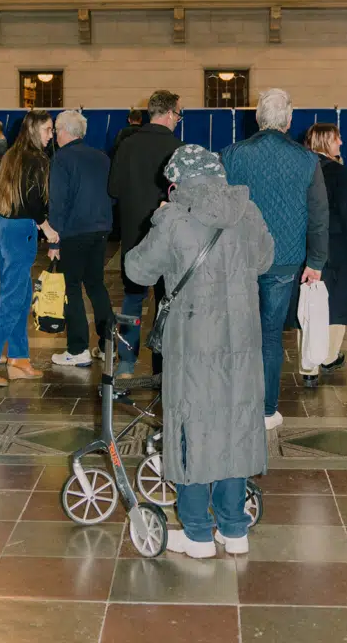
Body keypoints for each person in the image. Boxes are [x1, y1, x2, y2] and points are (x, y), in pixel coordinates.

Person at [124, 144, 273, 558]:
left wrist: (158, 218)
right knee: (236, 422)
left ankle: (196, 533)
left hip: (193, 341)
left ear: (176, 182)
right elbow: (264, 259)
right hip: (241, 340)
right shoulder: (248, 211)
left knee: (192, 424)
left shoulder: (173, 219)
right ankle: (233, 529)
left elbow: (136, 270)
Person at [222, 89, 329, 430]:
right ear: (289, 120)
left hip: (238, 258)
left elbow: (221, 208)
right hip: (284, 260)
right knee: (270, 335)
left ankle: (235, 404)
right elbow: (318, 214)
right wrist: (316, 261)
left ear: (257, 117)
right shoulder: (307, 160)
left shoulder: (232, 155)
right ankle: (267, 411)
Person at [0, 110, 58, 387]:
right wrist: (45, 226)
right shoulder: (37, 159)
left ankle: (19, 360)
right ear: (35, 130)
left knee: (22, 296)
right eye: (47, 130)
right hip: (21, 230)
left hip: (2, 227)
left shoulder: (9, 156)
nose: (51, 135)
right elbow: (35, 199)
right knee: (12, 298)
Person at [107, 90, 183, 375]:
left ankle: (126, 363)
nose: (178, 120)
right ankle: (161, 367)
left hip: (134, 238)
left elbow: (113, 189)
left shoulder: (126, 146)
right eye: (178, 114)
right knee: (166, 303)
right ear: (167, 114)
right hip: (169, 240)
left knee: (132, 300)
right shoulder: (179, 148)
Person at [299, 124, 347, 388]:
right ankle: (327, 356)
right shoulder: (336, 171)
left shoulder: (300, 168)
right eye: (338, 138)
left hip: (304, 245)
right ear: (327, 141)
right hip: (333, 246)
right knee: (335, 302)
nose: (341, 142)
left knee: (307, 304)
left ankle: (308, 367)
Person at [47, 110, 114, 368]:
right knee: (96, 285)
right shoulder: (101, 157)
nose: (54, 134)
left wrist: (54, 241)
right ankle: (108, 346)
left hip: (73, 233)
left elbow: (58, 202)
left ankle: (77, 349)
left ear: (63, 131)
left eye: (55, 129)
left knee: (71, 287)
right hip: (100, 230)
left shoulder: (61, 158)